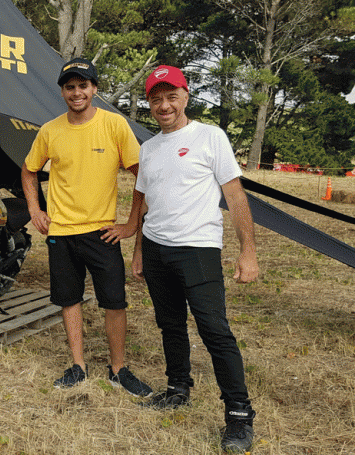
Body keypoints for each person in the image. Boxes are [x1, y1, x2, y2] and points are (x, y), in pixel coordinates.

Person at [132, 65, 259, 453]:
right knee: (170, 324)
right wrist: (139, 251)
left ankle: (239, 415)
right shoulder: (149, 148)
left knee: (214, 330)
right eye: (156, 99)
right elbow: (145, 200)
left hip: (198, 249)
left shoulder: (210, 137)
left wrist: (248, 251)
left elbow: (235, 196)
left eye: (172, 97)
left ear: (186, 96)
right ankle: (177, 388)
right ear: (149, 104)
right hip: (156, 248)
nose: (164, 106)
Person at [21, 58, 152, 397]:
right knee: (69, 300)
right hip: (61, 232)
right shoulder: (50, 130)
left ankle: (118, 369)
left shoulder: (114, 124)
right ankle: (78, 366)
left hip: (102, 232)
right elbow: (28, 170)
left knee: (115, 302)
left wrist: (131, 224)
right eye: (70, 87)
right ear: (62, 92)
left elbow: (142, 175)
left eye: (83, 85)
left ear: (94, 89)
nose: (76, 92)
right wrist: (35, 210)